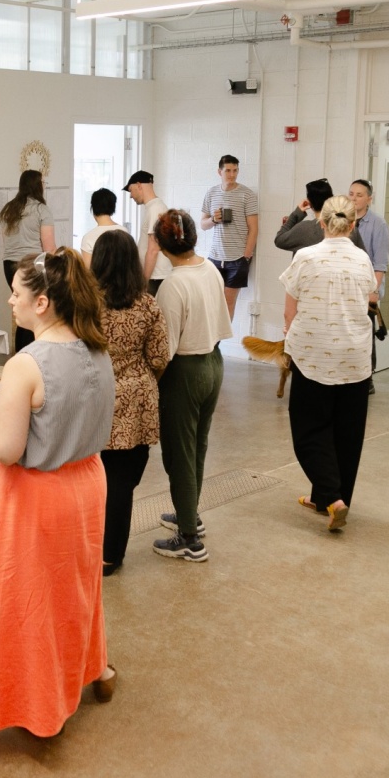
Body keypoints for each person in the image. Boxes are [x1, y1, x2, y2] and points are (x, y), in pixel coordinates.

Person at [0, 246, 117, 737]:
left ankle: (39, 706)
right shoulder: (95, 347)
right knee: (77, 589)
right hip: (87, 484)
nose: (10, 302)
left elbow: (7, 449)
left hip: (37, 497)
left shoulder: (26, 364)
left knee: (30, 601)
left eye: (16, 294)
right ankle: (94, 670)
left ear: (43, 302)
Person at [280, 196, 376, 533]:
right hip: (355, 357)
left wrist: (288, 335)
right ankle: (331, 500)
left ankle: (331, 497)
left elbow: (290, 309)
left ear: (321, 223)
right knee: (347, 432)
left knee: (309, 429)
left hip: (313, 356)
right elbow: (369, 298)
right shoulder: (362, 259)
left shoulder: (306, 257)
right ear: (352, 225)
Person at [151, 210, 233, 562]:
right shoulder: (210, 268)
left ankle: (188, 539)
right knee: (197, 446)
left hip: (184, 371)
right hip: (214, 364)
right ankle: (190, 516)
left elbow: (163, 350)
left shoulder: (172, 285)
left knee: (178, 454)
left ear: (161, 244)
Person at [90, 231, 169, 576]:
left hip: (95, 396)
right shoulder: (147, 303)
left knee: (91, 478)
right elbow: (160, 356)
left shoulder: (86, 305)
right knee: (123, 482)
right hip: (136, 401)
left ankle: (87, 546)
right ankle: (111, 554)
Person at [0, 169, 56, 351]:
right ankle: (32, 357)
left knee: (22, 310)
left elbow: (4, 239)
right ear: (37, 186)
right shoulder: (41, 209)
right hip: (32, 265)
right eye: (43, 183)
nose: (44, 186)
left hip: (9, 266)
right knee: (35, 313)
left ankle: (21, 356)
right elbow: (49, 248)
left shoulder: (9, 209)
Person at [199, 155, 258, 321]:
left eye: (235, 170)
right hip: (215, 257)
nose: (232, 175)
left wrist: (246, 255)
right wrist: (213, 219)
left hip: (238, 258)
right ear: (220, 172)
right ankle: (210, 341)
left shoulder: (247, 195)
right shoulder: (211, 193)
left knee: (228, 303)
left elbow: (254, 228)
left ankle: (218, 343)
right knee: (211, 302)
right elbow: (203, 225)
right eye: (228, 171)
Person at [349, 179, 389, 393]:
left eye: (359, 195)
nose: (354, 198)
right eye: (352, 194)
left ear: (369, 199)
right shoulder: (344, 220)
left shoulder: (378, 224)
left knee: (366, 333)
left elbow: (381, 262)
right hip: (348, 288)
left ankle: (368, 378)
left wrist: (374, 291)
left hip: (367, 289)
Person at [276, 178, 368, 256]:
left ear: (310, 203)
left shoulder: (304, 229)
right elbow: (364, 258)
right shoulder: (349, 228)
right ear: (332, 199)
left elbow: (279, 240)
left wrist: (296, 214)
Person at [123, 171, 170, 294]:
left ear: (139, 185)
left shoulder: (156, 209)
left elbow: (153, 250)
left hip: (155, 277)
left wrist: (144, 281)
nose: (131, 196)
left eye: (130, 190)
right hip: (154, 276)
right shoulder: (153, 208)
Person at [79, 187, 125, 267]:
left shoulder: (88, 238)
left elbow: (87, 271)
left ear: (93, 208)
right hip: (124, 279)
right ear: (113, 207)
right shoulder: (124, 232)